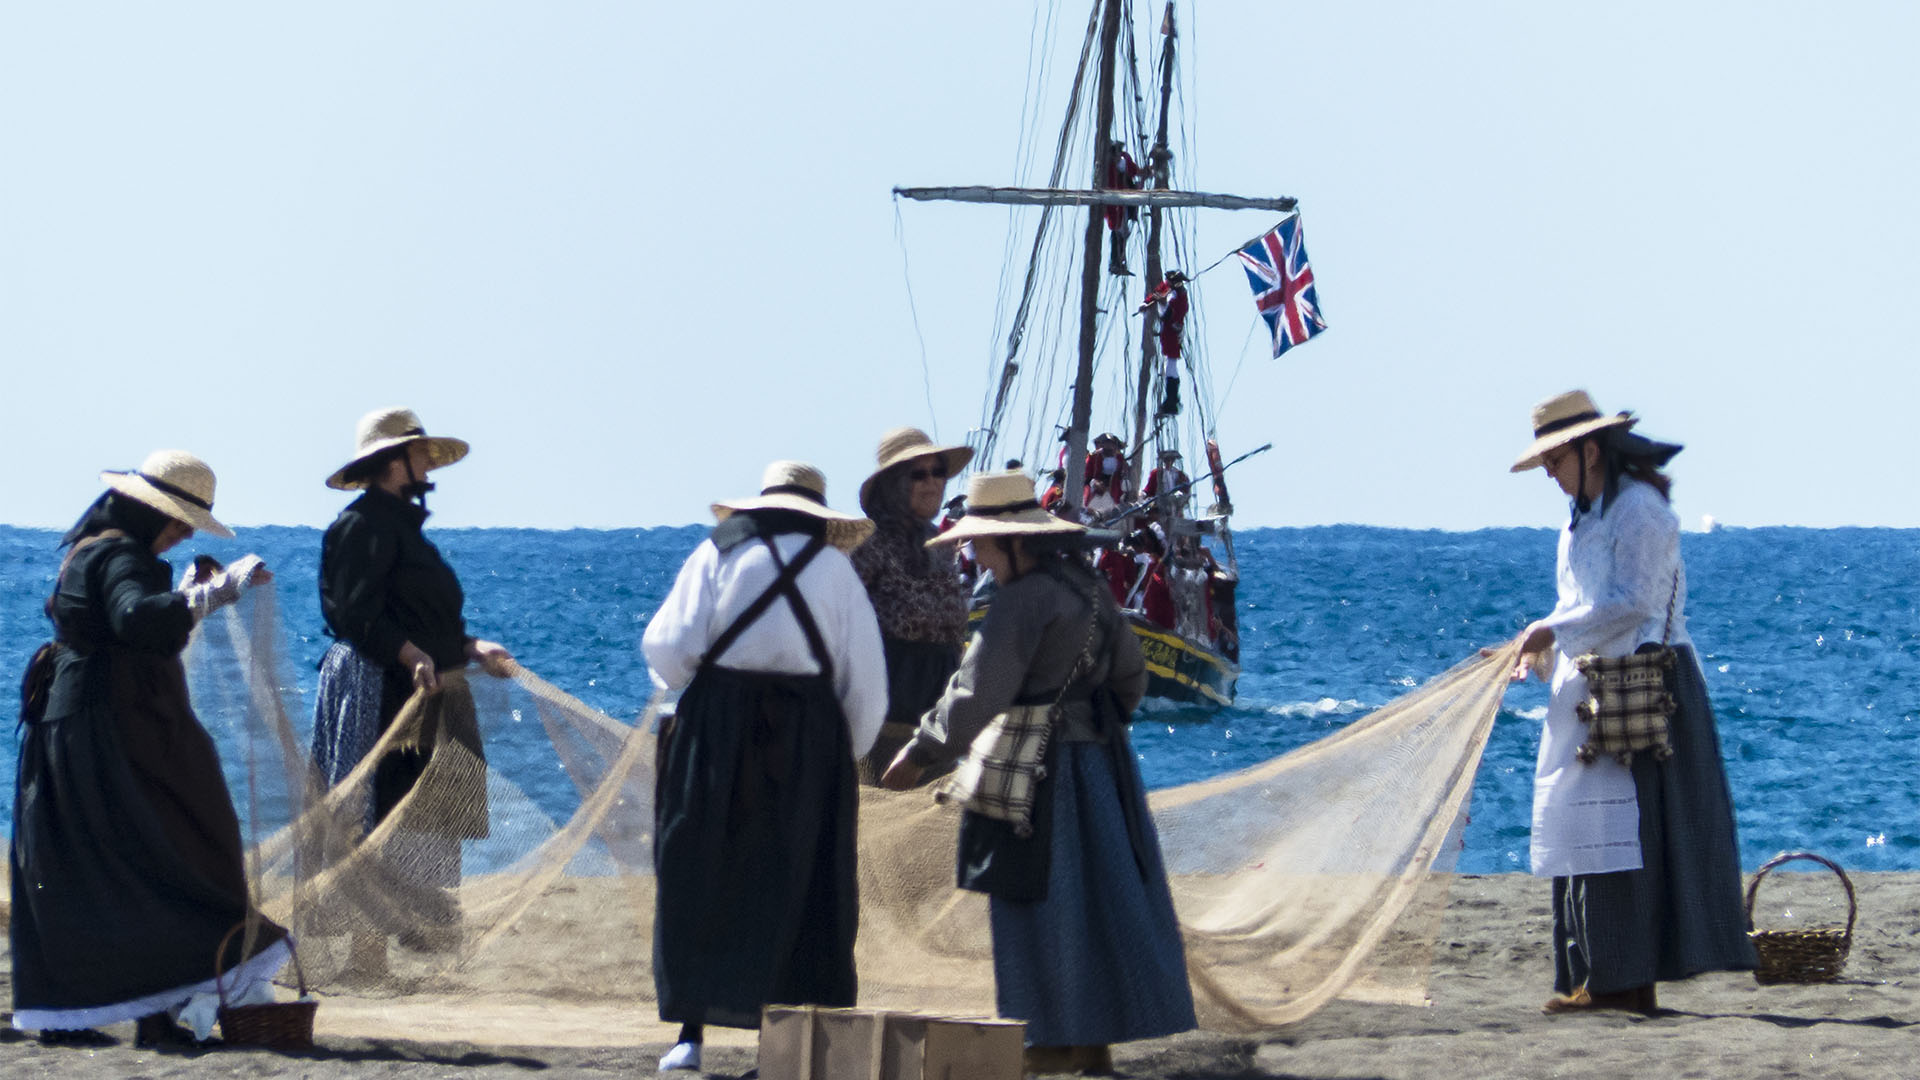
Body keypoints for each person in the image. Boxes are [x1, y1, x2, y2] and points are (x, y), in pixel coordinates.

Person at [880, 471, 1194, 1075]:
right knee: (1102, 901)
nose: (974, 554)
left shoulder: (1020, 602)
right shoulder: (1094, 589)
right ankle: (1092, 1043)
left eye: (982, 543)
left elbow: (978, 691)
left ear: (1014, 543)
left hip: (1036, 779)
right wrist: (1095, 728)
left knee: (1036, 901)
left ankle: (1049, 1039)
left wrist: (921, 751)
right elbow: (1131, 677)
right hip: (1103, 770)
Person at [11, 451, 288, 1046]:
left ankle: (95, 1013)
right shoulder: (122, 555)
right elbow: (136, 619)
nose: (185, 531)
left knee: (90, 868)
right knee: (179, 849)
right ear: (147, 510)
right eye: (179, 518)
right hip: (109, 730)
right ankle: (157, 1012)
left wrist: (187, 591)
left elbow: (120, 621)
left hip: (69, 726)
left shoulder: (89, 551)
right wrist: (215, 594)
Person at [1505, 390, 1755, 1014]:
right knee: (1582, 829)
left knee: (1624, 835)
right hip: (1594, 687)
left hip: (1647, 687)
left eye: (1556, 462)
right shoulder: (1582, 516)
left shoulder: (1640, 510)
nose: (1552, 478)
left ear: (1590, 450)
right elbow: (1584, 602)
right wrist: (1546, 643)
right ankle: (1593, 978)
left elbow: (1634, 602)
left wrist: (1550, 631)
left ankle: (1624, 982)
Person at [643, 461, 887, 1073]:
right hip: (807, 739)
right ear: (817, 516)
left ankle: (690, 1036)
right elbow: (867, 687)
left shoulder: (717, 553)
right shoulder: (836, 569)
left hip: (718, 728)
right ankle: (783, 1045)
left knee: (699, 869)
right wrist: (842, 754)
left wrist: (706, 694)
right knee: (800, 882)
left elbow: (668, 651)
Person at [310, 408, 514, 965]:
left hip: (425, 687)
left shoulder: (405, 529)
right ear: (391, 462)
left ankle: (408, 938)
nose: (428, 461)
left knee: (424, 814)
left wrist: (472, 647)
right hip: (381, 688)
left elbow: (426, 616)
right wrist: (409, 652)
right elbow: (353, 614)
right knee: (379, 810)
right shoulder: (358, 526)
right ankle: (366, 954)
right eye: (419, 451)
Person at [851, 427, 976, 782]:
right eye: (918, 474)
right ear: (893, 484)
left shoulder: (940, 542)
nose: (933, 482)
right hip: (882, 728)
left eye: (938, 472)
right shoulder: (868, 543)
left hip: (935, 730)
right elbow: (840, 626)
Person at [1139, 271, 1189, 416]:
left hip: (1173, 328)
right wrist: (1146, 303)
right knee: (1169, 364)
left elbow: (1176, 315)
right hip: (1166, 327)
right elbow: (1156, 295)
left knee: (1170, 364)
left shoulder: (1181, 297)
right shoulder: (1167, 287)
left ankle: (1172, 400)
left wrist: (1162, 303)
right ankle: (1171, 400)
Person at [1103, 139, 1145, 275]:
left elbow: (1136, 172)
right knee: (1117, 231)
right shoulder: (1106, 167)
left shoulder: (1124, 160)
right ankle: (1115, 262)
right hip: (1115, 204)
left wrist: (1148, 172)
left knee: (1122, 232)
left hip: (1125, 202)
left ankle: (1119, 260)